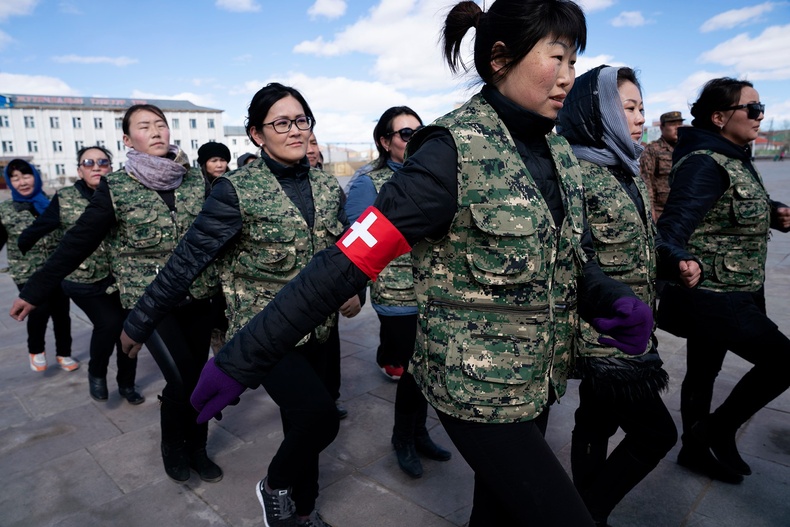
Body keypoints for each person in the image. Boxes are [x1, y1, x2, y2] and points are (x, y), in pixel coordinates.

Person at [188, 2, 657, 525]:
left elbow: (562, 258)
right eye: (558, 58)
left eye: (574, 61)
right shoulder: (447, 154)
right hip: (477, 391)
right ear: (501, 58)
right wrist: (240, 358)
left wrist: (606, 296)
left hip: (537, 381)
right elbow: (346, 262)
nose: (569, 78)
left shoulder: (558, 153)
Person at [118, 83, 359, 527]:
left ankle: (303, 511)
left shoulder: (326, 186)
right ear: (256, 134)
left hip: (320, 329)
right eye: (280, 123)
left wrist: (355, 288)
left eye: (301, 120)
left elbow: (344, 245)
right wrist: (139, 321)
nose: (294, 131)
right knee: (321, 419)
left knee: (302, 424)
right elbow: (188, 259)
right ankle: (275, 484)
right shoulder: (236, 191)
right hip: (265, 333)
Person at [10, 104, 223, 484]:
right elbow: (77, 242)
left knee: (197, 377)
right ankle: (175, 446)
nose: (156, 132)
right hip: (151, 301)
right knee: (181, 378)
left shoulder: (196, 181)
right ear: (128, 140)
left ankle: (198, 447)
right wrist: (36, 289)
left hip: (199, 296)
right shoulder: (118, 187)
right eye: (145, 127)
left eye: (160, 125)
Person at [557, 65, 695, 525]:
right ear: (596, 112)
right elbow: (578, 257)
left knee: (594, 423)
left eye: (642, 107)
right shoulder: (573, 173)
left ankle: (586, 511)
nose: (640, 118)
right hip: (607, 334)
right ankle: (588, 514)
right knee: (656, 434)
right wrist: (612, 301)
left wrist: (674, 261)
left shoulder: (627, 167)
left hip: (637, 327)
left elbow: (646, 240)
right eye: (629, 108)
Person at [656, 77, 790, 486]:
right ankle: (714, 430)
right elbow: (670, 231)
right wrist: (679, 258)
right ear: (719, 117)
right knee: (783, 362)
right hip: (715, 295)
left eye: (760, 106)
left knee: (703, 371)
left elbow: (730, 204)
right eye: (751, 108)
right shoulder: (703, 162)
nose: (760, 114)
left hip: (737, 287)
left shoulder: (731, 155)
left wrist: (773, 211)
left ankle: (694, 451)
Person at [345, 106, 452, 478]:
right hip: (398, 295)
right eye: (405, 133)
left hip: (435, 293)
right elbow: (355, 242)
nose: (413, 139)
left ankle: (418, 433)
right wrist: (355, 289)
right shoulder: (368, 183)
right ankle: (402, 439)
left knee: (425, 371)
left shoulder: (431, 177)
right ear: (385, 141)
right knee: (409, 371)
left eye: (419, 132)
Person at [18, 146, 142, 403]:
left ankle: (127, 384)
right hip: (83, 281)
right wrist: (23, 244)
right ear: (79, 170)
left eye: (103, 162)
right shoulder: (65, 198)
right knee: (108, 324)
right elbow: (41, 227)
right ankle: (96, 373)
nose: (96, 167)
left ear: (110, 167)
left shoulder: (123, 193)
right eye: (88, 162)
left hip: (121, 279)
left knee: (129, 330)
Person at [1, 159, 77, 373]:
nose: (22, 182)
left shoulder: (53, 202)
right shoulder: (5, 210)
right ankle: (36, 350)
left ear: (34, 176)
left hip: (57, 270)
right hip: (26, 271)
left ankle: (64, 353)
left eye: (25, 176)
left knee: (62, 312)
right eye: (15, 178)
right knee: (39, 309)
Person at [197, 141, 232, 355]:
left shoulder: (231, 182)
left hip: (228, 252)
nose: (219, 165)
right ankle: (218, 345)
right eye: (214, 160)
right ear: (204, 164)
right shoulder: (199, 188)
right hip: (208, 255)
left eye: (222, 160)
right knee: (214, 307)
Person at [639, 110, 684, 220]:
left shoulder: (685, 149)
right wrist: (651, 212)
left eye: (679, 124)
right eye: (672, 124)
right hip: (662, 213)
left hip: (683, 211)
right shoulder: (652, 150)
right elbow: (646, 182)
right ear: (662, 127)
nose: (677, 127)